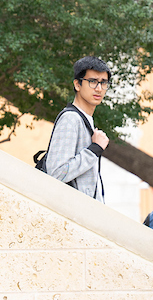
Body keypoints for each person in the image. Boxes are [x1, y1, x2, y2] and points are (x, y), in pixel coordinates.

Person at [43, 56, 111, 202]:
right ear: (77, 84)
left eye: (103, 83)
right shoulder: (71, 119)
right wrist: (94, 150)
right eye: (92, 82)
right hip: (72, 213)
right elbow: (56, 173)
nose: (99, 88)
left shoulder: (85, 120)